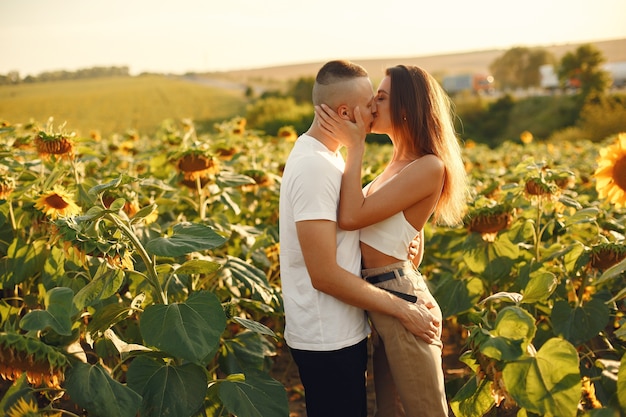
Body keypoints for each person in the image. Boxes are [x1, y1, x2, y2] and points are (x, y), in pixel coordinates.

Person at [279, 60, 441, 417]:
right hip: (330, 333)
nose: (373, 110)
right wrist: (403, 308)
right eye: (371, 102)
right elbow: (323, 272)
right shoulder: (316, 166)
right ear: (343, 112)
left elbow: (386, 216)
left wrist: (410, 238)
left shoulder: (330, 160)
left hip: (354, 321)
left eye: (379, 100)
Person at [315, 64, 468, 417]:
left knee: (426, 411)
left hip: (401, 298)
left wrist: (355, 148)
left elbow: (352, 217)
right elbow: (402, 223)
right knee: (391, 411)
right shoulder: (397, 163)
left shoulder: (429, 165)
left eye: (380, 98)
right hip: (384, 299)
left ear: (405, 107)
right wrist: (416, 237)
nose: (371, 106)